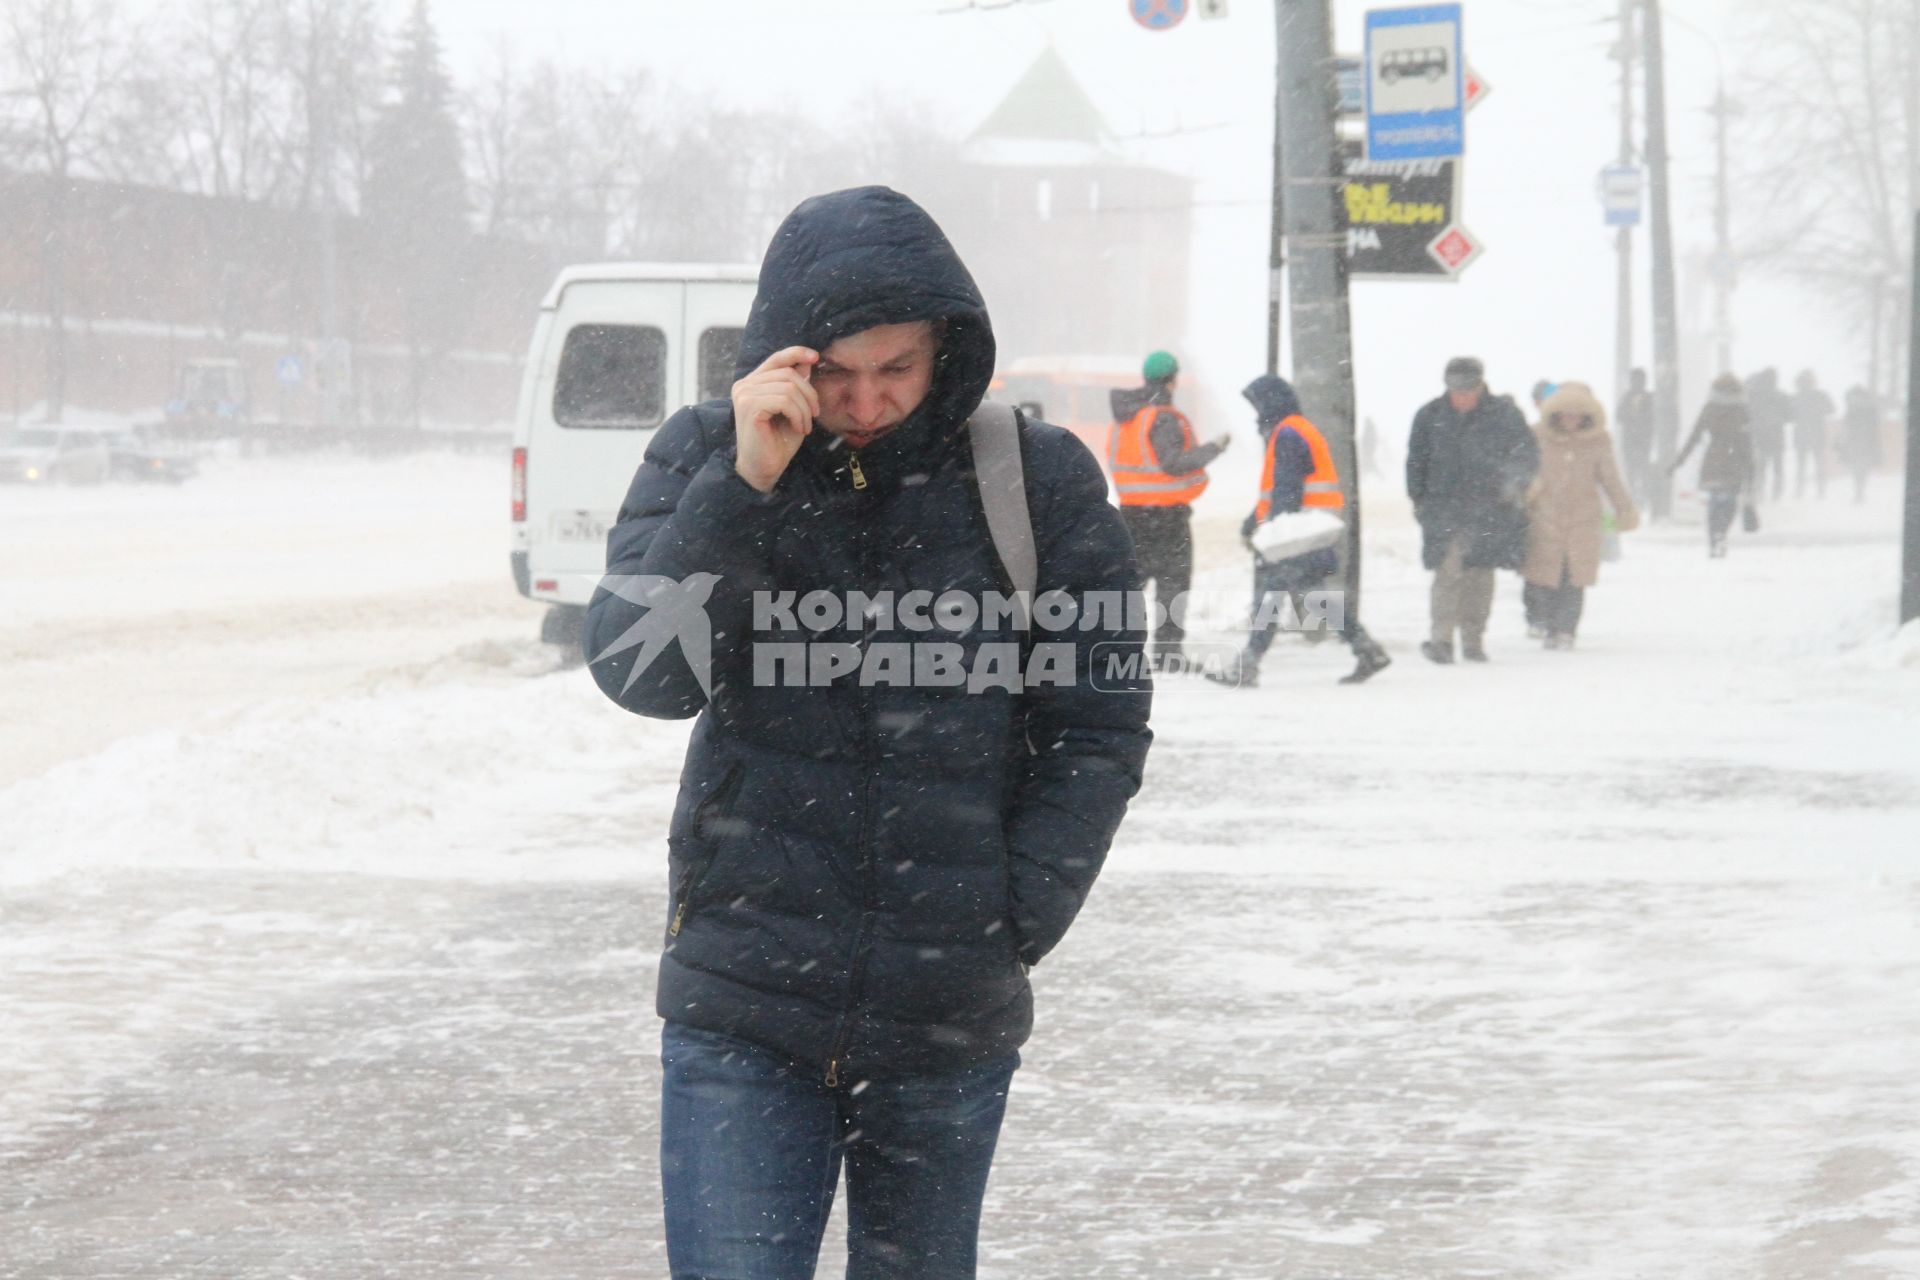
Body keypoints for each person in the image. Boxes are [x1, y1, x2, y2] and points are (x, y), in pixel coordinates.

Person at [583, 186, 1154, 1280]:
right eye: (835, 374)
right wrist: (744, 481)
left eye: (896, 368)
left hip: (947, 1018)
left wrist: (1007, 914)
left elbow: (1099, 720)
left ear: (947, 345)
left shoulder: (1034, 478)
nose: (868, 401)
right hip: (742, 1003)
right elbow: (642, 674)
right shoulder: (709, 454)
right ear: (781, 359)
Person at [1213, 374, 1391, 687]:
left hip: (1293, 535)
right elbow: (1277, 491)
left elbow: (1285, 491)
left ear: (1270, 404)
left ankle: (1247, 666)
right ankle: (1367, 649)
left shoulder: (1288, 434)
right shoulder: (1294, 430)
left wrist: (1268, 533)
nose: (1256, 415)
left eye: (1258, 406)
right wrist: (1252, 522)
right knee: (1313, 597)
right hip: (1307, 530)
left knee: (1269, 597)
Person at [1406, 356, 1539, 664]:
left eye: (1469, 390)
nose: (1463, 397)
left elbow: (1527, 454)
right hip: (1443, 509)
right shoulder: (1429, 417)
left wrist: (1514, 484)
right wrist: (1420, 501)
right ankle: (1441, 640)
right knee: (1447, 572)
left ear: (1481, 385)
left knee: (1479, 576)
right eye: (1456, 390)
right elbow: (1415, 462)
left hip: (1491, 509)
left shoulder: (1504, 415)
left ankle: (1473, 640)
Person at [1107, 350, 1231, 669]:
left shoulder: (1128, 416)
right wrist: (1214, 448)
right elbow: (1173, 463)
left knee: (1129, 587)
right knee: (1173, 585)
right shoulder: (1161, 417)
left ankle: (1114, 652)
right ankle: (1168, 655)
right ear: (1172, 380)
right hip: (1166, 517)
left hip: (1132, 515)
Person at [1524, 381, 1640, 649]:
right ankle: (1549, 625)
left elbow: (1610, 479)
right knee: (1545, 576)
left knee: (1574, 578)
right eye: (1566, 414)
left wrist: (1624, 509)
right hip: (1545, 517)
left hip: (1583, 519)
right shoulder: (1537, 436)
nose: (1571, 420)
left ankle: (1566, 629)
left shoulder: (1598, 441)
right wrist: (1525, 494)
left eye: (1577, 415)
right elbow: (1522, 470)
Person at [1669, 373, 1756, 558]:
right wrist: (1751, 470)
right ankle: (1721, 533)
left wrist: (1678, 462)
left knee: (1715, 502)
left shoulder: (1710, 408)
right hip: (1735, 461)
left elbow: (1694, 436)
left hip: (1714, 460)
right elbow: (1747, 442)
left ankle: (1714, 538)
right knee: (1730, 502)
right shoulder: (1742, 410)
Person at [1744, 367, 1790, 501]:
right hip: (1777, 434)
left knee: (1760, 465)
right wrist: (1778, 419)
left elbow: (1747, 412)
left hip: (1759, 435)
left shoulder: (1753, 394)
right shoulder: (1782, 395)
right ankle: (1777, 493)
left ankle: (1760, 491)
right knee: (1778, 466)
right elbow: (1791, 415)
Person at [1790, 369, 1834, 499]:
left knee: (1801, 464)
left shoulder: (1796, 397)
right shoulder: (1821, 395)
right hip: (1817, 432)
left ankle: (1799, 490)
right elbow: (1831, 409)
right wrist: (1818, 410)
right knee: (1819, 462)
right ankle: (1821, 490)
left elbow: (1789, 415)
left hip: (1801, 434)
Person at [1615, 367, 1655, 507]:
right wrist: (1632, 416)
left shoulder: (1649, 397)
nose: (1638, 383)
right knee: (1633, 471)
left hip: (1641, 440)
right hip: (1633, 440)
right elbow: (1619, 416)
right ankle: (1634, 498)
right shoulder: (1627, 397)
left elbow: (1653, 418)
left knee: (1641, 470)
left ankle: (1641, 498)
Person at [1841, 384, 1881, 503]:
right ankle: (1859, 492)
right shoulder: (1869, 407)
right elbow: (1875, 424)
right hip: (1865, 441)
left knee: (1858, 468)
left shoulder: (1854, 408)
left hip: (1858, 441)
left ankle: (1859, 493)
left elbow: (1847, 424)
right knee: (1861, 468)